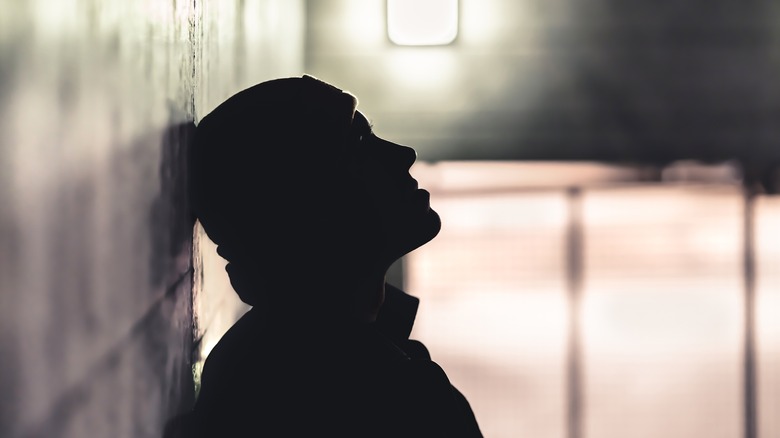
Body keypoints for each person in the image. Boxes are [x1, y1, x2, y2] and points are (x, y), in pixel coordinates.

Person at [181, 75, 482, 437]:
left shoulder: (276, 357)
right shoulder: (357, 394)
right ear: (307, 209)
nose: (404, 154)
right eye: (359, 143)